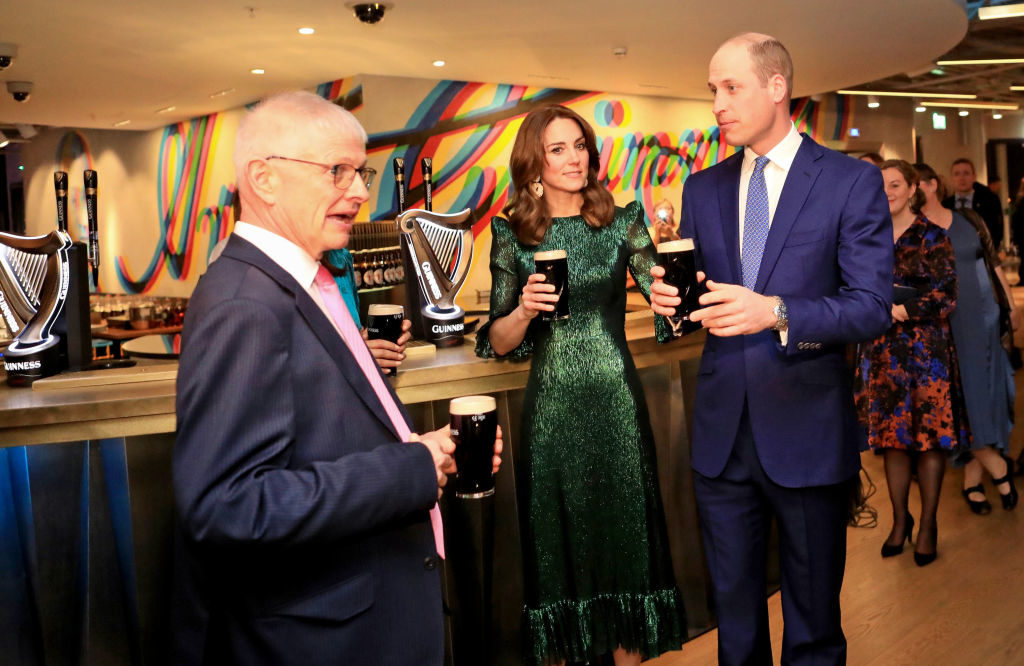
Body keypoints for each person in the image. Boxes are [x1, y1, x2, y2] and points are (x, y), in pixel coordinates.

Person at [172, 91, 501, 666]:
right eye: (336, 171)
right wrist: (411, 469)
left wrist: (433, 452)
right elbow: (229, 507)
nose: (359, 192)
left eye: (360, 172)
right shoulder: (245, 304)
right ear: (264, 179)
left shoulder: (303, 283)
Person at [649, 33, 893, 666]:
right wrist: (669, 304)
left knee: (812, 627)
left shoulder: (848, 182)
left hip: (807, 434)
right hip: (721, 441)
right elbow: (700, 306)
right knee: (735, 627)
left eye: (731, 88)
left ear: (777, 86)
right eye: (713, 90)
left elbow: (871, 306)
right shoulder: (702, 189)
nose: (718, 105)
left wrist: (777, 311)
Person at [476, 104, 684, 666]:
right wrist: (523, 310)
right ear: (534, 165)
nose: (574, 158)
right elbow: (498, 340)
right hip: (552, 412)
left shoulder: (622, 222)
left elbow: (662, 296)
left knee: (627, 548)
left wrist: (674, 297)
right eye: (557, 149)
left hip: (617, 403)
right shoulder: (512, 235)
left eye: (580, 145)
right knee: (559, 553)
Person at [855, 159, 967, 567]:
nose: (887, 192)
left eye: (895, 184)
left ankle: (929, 524)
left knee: (929, 439)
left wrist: (905, 309)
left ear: (913, 188)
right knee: (892, 439)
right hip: (883, 350)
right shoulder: (866, 238)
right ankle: (901, 521)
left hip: (926, 352)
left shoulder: (933, 236)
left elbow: (948, 294)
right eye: (881, 185)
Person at [916, 162, 1019, 514]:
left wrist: (1009, 306)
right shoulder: (912, 229)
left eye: (914, 184)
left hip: (983, 319)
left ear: (932, 184)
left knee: (987, 396)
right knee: (962, 401)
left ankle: (973, 481)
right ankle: (999, 468)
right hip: (943, 327)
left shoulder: (969, 219)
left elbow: (992, 263)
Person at [322, 247, 412, 374]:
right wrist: (353, 355)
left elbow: (355, 335)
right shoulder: (293, 271)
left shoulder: (341, 256)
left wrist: (374, 342)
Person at [945, 158, 1004, 249]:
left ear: (974, 177)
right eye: (957, 174)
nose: (962, 178)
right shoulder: (945, 205)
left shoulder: (988, 203)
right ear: (951, 179)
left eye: (966, 173)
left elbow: (996, 233)